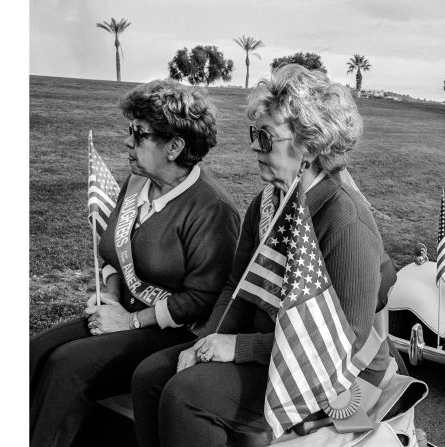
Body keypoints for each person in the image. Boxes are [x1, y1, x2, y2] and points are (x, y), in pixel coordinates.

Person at [131, 64, 402, 447]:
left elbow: (348, 341)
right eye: (253, 134)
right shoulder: (269, 201)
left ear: (308, 144)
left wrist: (237, 348)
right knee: (150, 377)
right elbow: (236, 287)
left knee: (186, 396)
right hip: (278, 345)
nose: (254, 146)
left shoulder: (344, 217)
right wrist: (206, 342)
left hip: (338, 373)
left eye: (265, 136)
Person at [30, 79, 241, 447]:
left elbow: (202, 299)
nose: (128, 141)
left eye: (139, 133)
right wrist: (111, 297)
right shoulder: (135, 183)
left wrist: (128, 321)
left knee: (68, 366)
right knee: (36, 351)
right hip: (123, 313)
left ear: (174, 146)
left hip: (173, 331)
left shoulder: (213, 210)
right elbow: (111, 251)